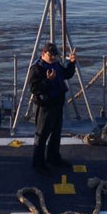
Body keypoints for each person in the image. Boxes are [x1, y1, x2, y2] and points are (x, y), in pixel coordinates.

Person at [29, 42, 77, 174]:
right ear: (43, 54)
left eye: (55, 55)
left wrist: (72, 63)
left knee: (56, 134)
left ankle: (53, 158)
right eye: (51, 55)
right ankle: (38, 164)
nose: (53, 57)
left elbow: (66, 74)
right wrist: (48, 80)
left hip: (57, 104)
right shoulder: (37, 68)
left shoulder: (56, 65)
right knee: (42, 135)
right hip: (45, 106)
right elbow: (34, 88)